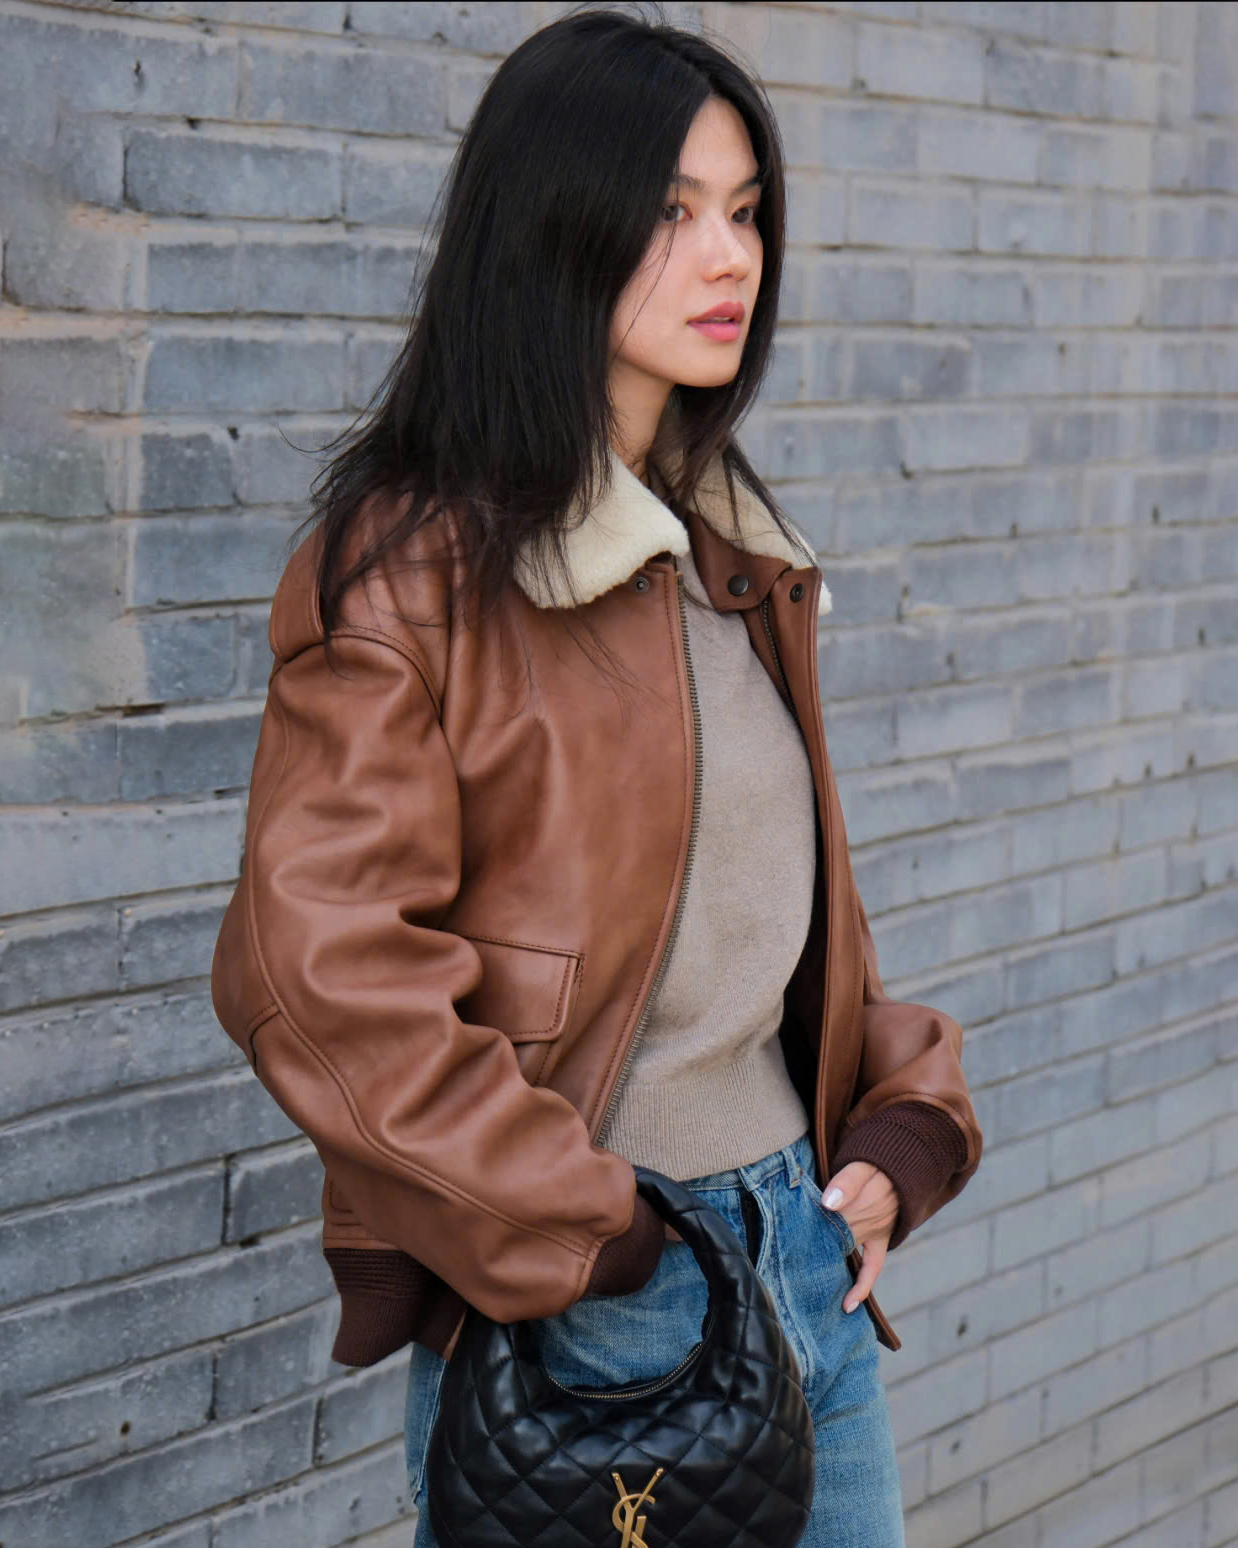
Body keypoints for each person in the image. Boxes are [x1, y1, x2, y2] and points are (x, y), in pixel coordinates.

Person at [210, 8, 982, 1545]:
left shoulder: (731, 556)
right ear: (551, 226)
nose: (730, 256)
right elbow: (316, 975)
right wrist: (598, 1230)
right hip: (594, 1309)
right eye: (670, 211)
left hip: (805, 1269)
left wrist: (900, 1128)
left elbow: (762, 929)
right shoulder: (410, 572)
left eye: (745, 210)